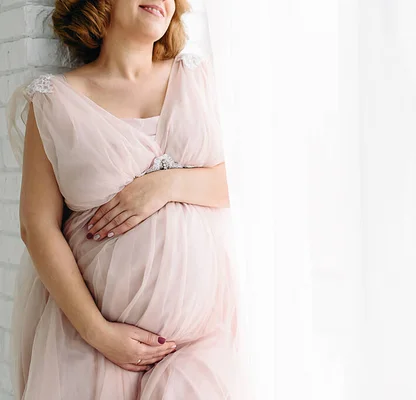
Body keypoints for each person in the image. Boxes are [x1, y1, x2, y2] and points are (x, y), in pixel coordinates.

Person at [5, 0, 243, 398]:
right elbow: (36, 227)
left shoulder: (198, 78)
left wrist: (164, 186)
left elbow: (245, 185)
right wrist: (99, 333)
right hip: (95, 347)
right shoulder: (55, 101)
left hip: (202, 345)